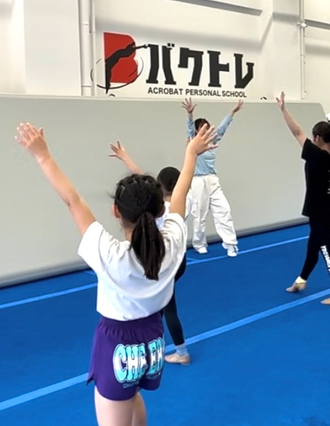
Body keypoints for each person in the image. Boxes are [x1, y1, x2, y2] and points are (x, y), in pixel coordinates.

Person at [16, 121, 215, 426]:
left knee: (119, 405)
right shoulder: (173, 242)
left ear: (115, 211)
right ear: (160, 212)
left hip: (118, 344)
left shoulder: (111, 255)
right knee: (133, 395)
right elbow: (180, 193)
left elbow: (73, 200)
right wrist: (191, 155)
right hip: (153, 339)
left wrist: (42, 156)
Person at [108, 142, 195, 366]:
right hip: (178, 259)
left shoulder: (160, 208)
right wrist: (191, 154)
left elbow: (140, 176)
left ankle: (181, 352)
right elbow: (181, 185)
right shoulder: (181, 203)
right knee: (162, 304)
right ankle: (165, 345)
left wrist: (125, 157)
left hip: (160, 260)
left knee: (167, 307)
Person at [277, 89, 330, 305]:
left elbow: (296, 132)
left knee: (327, 251)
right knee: (313, 246)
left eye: (312, 136)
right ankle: (301, 280)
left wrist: (283, 110)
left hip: (320, 211)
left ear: (317, 138)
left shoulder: (316, 155)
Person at [182, 98, 242, 257]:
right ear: (197, 131)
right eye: (203, 128)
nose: (206, 131)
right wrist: (190, 114)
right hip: (198, 180)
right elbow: (189, 129)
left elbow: (222, 128)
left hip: (212, 180)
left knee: (224, 210)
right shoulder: (193, 142)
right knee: (199, 215)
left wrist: (232, 112)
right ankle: (199, 244)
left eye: (207, 128)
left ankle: (230, 244)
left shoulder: (212, 140)